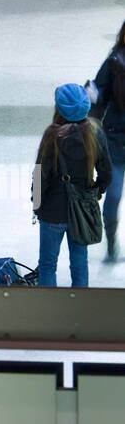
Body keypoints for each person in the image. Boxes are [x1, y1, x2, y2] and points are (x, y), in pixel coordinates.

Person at [33, 84, 110, 287]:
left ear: (59, 109)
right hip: (82, 211)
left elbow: (40, 176)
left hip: (52, 212)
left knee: (47, 264)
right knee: (79, 263)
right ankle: (79, 303)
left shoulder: (52, 135)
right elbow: (106, 174)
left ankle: (46, 303)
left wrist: (37, 206)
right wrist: (94, 193)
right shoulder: (95, 132)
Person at [89, 25, 125, 261]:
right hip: (115, 140)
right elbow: (98, 96)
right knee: (113, 196)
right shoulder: (114, 62)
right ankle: (111, 246)